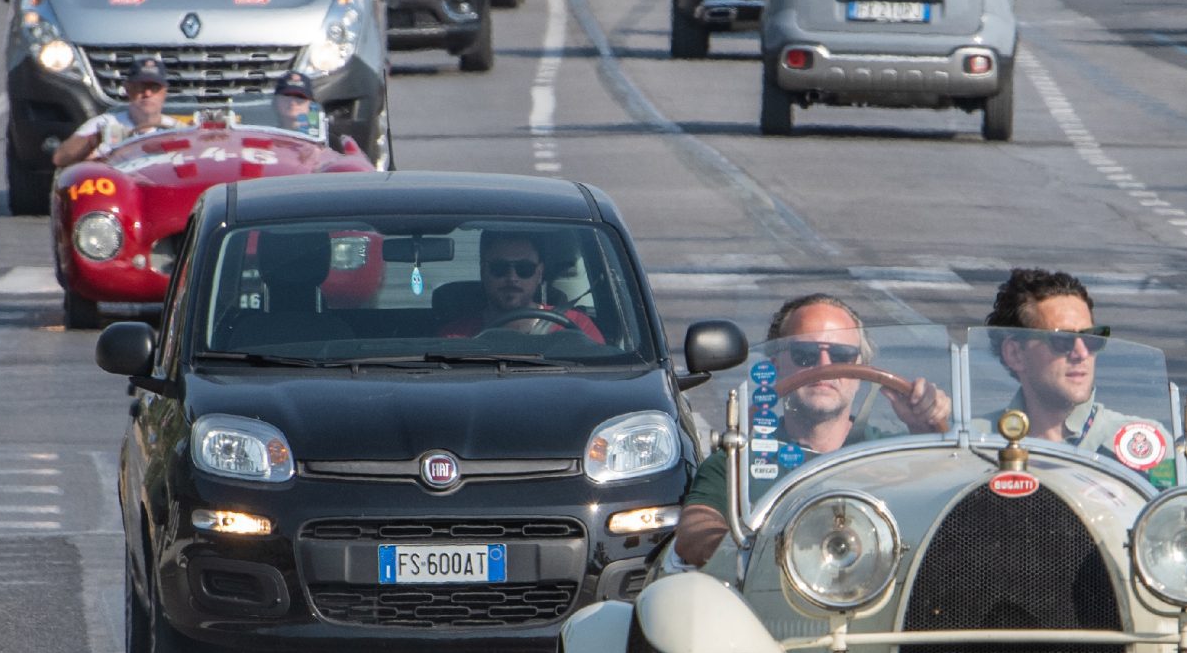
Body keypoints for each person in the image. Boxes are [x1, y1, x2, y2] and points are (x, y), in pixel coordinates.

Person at [674, 293, 948, 568]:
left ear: (861, 371)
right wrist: (770, 555)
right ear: (775, 367)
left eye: (841, 355)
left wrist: (928, 432)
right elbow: (695, 533)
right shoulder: (741, 459)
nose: (824, 367)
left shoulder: (895, 456)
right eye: (804, 355)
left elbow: (948, 506)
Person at [983, 267, 1124, 446]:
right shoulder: (978, 440)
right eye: (1063, 340)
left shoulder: (1140, 443)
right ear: (1015, 354)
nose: (1082, 353)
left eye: (1092, 338)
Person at [434, 229, 609, 342]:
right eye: (499, 268)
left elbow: (601, 375)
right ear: (483, 271)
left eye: (524, 269)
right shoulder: (456, 337)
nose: (512, 278)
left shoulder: (577, 327)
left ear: (539, 273)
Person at [55, 56, 187, 166]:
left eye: (154, 88)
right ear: (128, 89)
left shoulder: (178, 130)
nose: (147, 93)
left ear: (164, 92)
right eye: (141, 87)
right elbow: (60, 158)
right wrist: (96, 139)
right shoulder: (103, 124)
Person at [269, 69, 323, 138]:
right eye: (287, 97)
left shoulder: (326, 139)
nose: (293, 103)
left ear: (310, 104)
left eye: (300, 98)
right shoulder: (266, 137)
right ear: (275, 102)